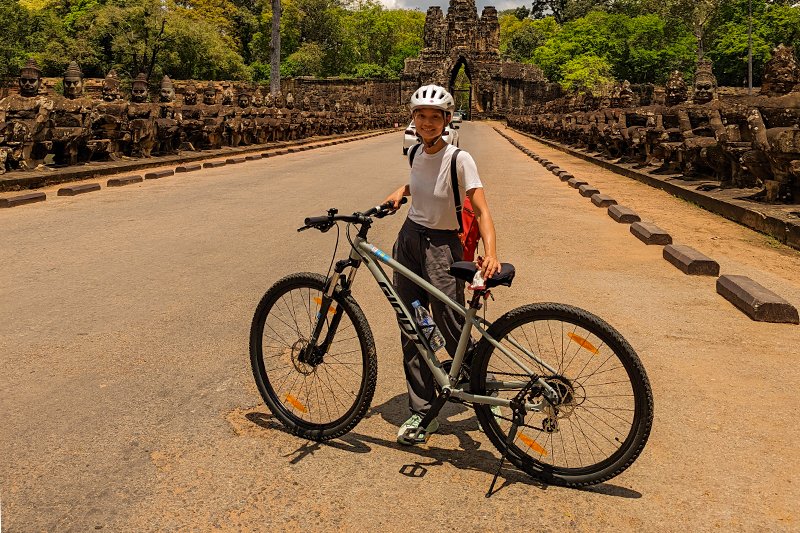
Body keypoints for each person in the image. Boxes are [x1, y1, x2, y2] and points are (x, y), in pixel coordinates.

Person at [383, 84, 500, 445]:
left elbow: (481, 209)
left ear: (447, 120)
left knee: (450, 321)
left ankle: (480, 382)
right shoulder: (415, 151)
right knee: (411, 323)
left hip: (442, 246)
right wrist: (401, 191)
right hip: (409, 240)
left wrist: (492, 252)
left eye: (435, 117)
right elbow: (421, 182)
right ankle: (422, 410)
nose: (428, 122)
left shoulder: (460, 159)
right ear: (413, 118)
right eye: (421, 116)